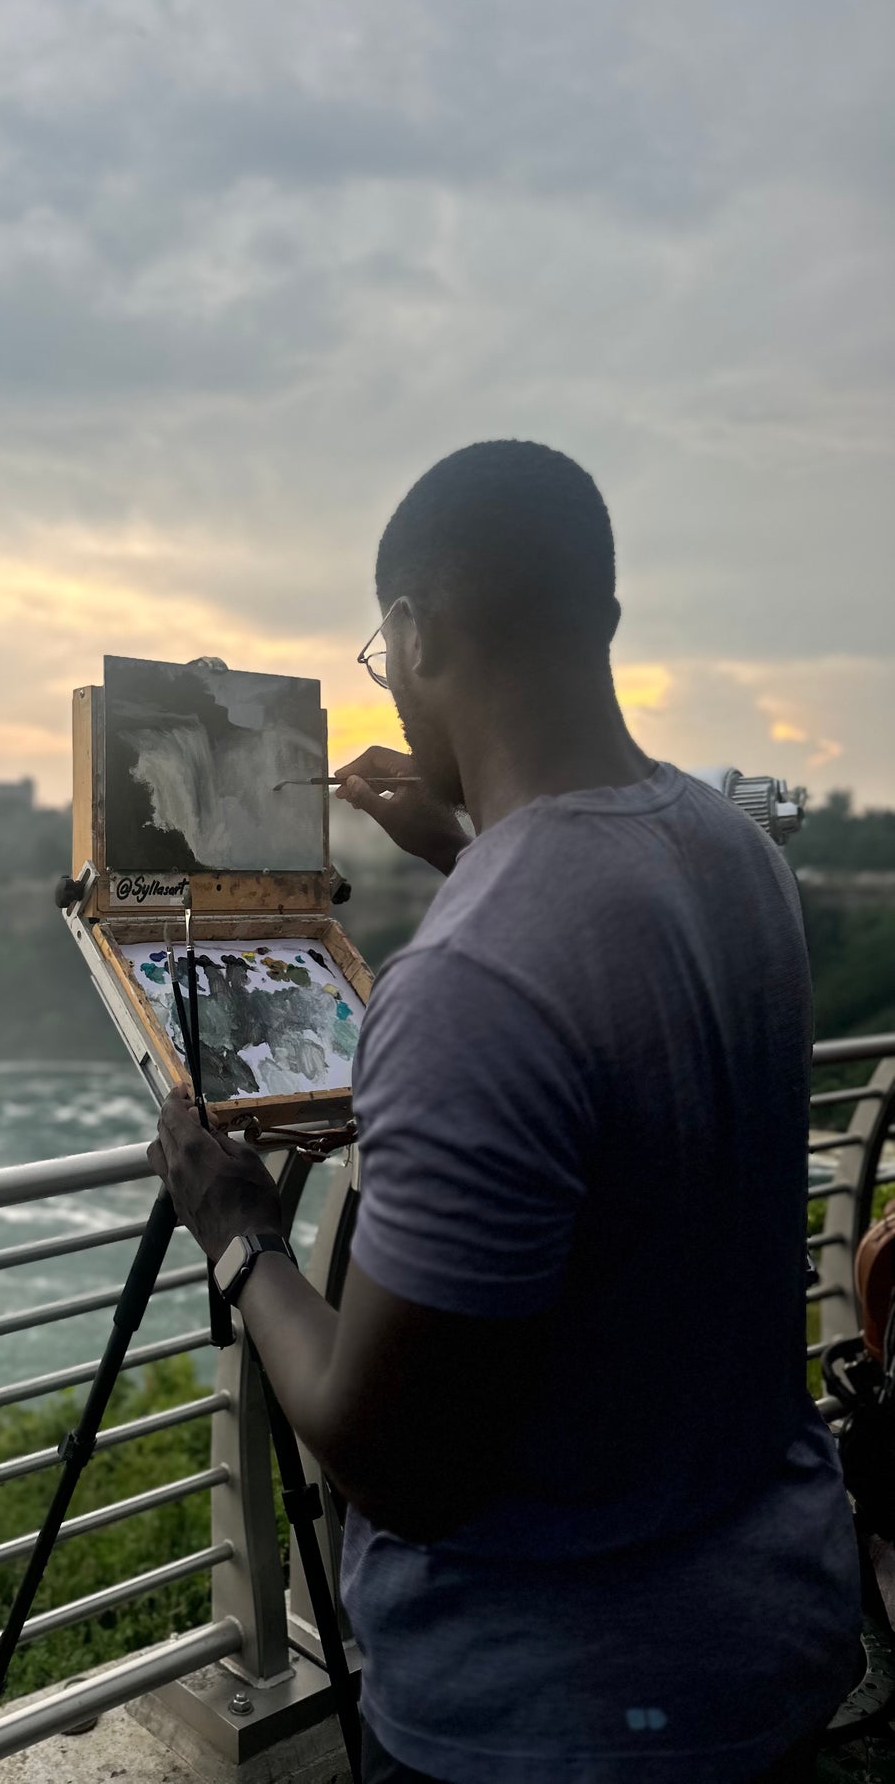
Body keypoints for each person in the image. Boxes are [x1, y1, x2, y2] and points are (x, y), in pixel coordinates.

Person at [148, 440, 862, 1784]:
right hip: (770, 1626)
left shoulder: (469, 980)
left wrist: (239, 1230)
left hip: (558, 1715)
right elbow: (606, 968)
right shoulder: (733, 856)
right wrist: (472, 845)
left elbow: (393, 1465)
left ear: (411, 633)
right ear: (596, 615)